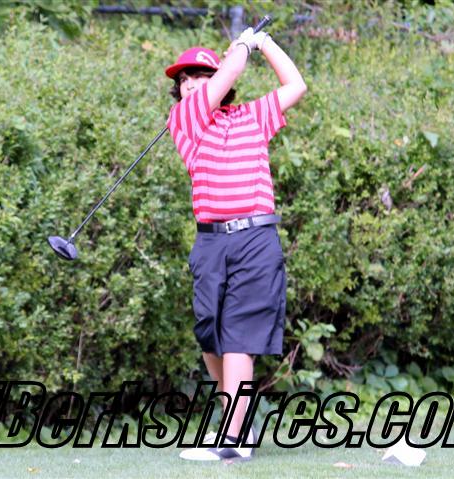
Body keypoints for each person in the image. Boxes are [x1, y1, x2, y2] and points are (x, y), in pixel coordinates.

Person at [165, 27, 307, 461]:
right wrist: (240, 49)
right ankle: (238, 425)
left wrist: (263, 43)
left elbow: (296, 85)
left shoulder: (251, 116)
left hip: (255, 239)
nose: (191, 84)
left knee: (239, 336)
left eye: (199, 76)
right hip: (211, 243)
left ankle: (232, 438)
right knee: (210, 336)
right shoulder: (185, 119)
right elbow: (228, 74)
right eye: (184, 79)